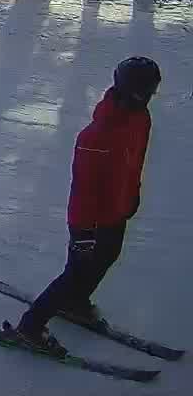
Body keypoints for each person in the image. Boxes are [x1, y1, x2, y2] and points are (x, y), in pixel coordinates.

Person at [8, 57, 160, 354]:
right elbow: (83, 190)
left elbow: (135, 162)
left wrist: (134, 194)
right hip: (88, 219)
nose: (149, 99)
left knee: (108, 256)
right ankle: (30, 327)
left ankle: (75, 303)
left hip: (118, 209)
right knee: (76, 270)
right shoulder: (96, 136)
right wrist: (82, 233)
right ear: (132, 91)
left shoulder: (141, 119)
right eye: (146, 92)